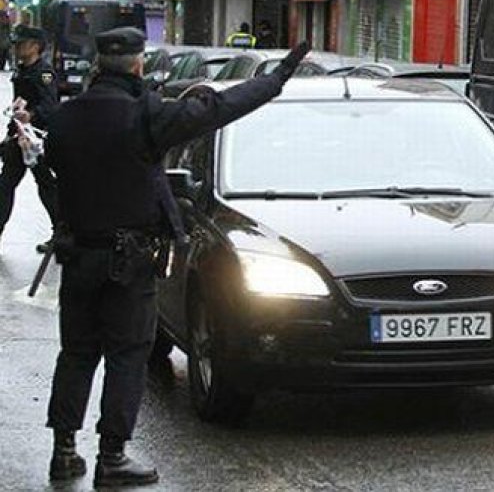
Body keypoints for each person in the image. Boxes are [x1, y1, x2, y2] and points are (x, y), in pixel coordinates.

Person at [43, 26, 311, 487]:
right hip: (129, 261)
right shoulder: (145, 117)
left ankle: (64, 451)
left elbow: (55, 173)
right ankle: (112, 456)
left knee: (77, 353)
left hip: (78, 256)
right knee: (127, 354)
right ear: (137, 64)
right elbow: (221, 107)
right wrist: (278, 76)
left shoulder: (67, 118)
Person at [0, 24, 58, 253]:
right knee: (5, 185)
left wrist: (32, 115)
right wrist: (9, 134)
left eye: (22, 44)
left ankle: (61, 233)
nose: (17, 48)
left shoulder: (43, 73)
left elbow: (50, 106)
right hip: (19, 138)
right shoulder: (22, 70)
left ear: (35, 47)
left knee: (46, 186)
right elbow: (17, 105)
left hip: (38, 140)